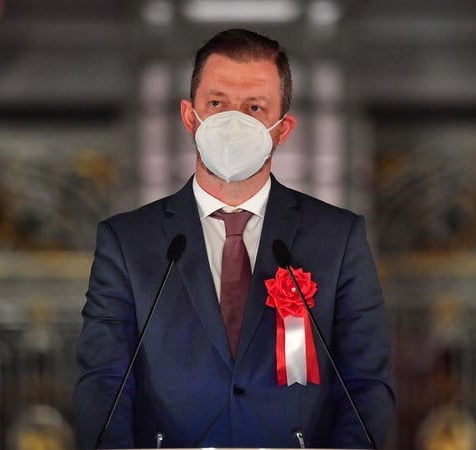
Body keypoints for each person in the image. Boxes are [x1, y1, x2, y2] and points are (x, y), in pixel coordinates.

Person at [73, 28, 395, 449]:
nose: (233, 121)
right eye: (218, 103)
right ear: (190, 116)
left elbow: (366, 384)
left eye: (254, 107)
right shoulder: (126, 242)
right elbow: (103, 384)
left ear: (283, 129)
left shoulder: (337, 238)